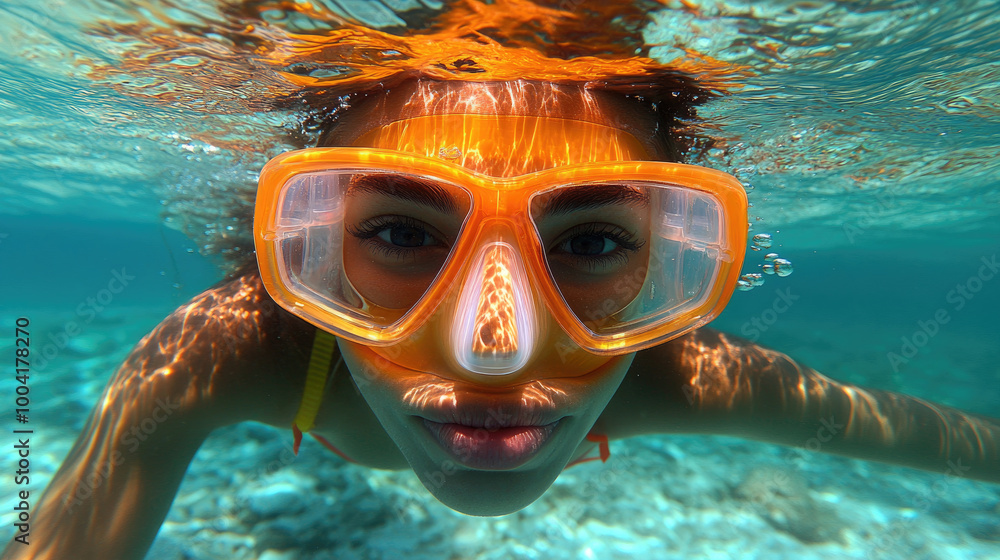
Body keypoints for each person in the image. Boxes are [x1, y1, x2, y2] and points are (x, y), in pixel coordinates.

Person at [4, 76, 999, 560]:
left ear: (670, 266)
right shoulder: (224, 351)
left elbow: (921, 434)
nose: (497, 346)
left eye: (594, 244)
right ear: (293, 253)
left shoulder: (667, 368)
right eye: (398, 233)